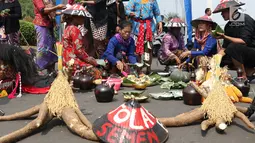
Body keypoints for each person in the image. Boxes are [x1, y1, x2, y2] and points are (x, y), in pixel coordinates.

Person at [213, 0, 255, 82]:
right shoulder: (228, 26)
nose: (221, 14)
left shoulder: (246, 19)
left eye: (223, 11)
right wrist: (215, 59)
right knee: (220, 60)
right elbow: (224, 48)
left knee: (232, 47)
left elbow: (244, 41)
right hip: (241, 54)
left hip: (252, 52)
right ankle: (249, 71)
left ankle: (242, 77)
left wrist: (225, 37)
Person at [62, 4, 101, 79]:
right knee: (97, 73)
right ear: (74, 17)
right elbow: (78, 51)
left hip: (65, 60)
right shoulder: (75, 30)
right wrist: (89, 59)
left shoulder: (68, 27)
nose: (83, 19)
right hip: (72, 61)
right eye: (82, 17)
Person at [125, 0, 163, 74]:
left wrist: (160, 22)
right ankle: (139, 70)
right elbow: (127, 10)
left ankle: (149, 68)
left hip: (149, 27)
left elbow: (157, 13)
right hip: (137, 27)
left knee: (149, 48)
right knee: (137, 50)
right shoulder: (133, 0)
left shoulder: (152, 1)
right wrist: (130, 13)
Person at [32, 0, 66, 75]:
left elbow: (51, 13)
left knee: (51, 48)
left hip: (49, 25)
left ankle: (51, 70)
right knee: (43, 48)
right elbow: (42, 10)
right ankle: (39, 70)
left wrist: (62, 12)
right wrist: (57, 7)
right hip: (41, 25)